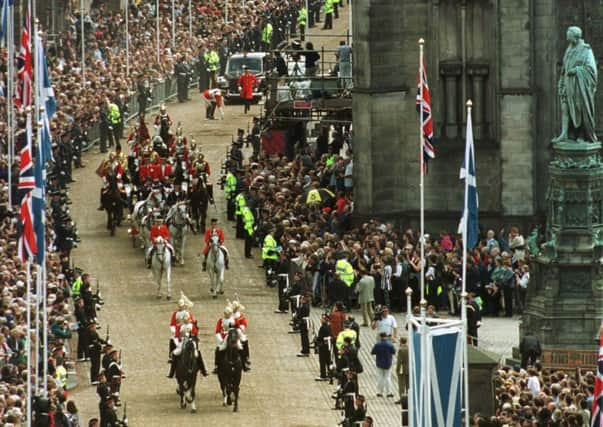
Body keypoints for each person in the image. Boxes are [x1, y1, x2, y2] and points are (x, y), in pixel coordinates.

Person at [167, 292, 197, 378]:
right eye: (179, 306)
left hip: (189, 337)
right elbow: (172, 324)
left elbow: (193, 328)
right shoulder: (175, 314)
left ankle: (200, 367)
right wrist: (174, 331)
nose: (180, 307)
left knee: (196, 352)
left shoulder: (188, 314)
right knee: (173, 343)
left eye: (182, 306)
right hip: (179, 334)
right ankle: (170, 357)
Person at [371, 332, 396, 398]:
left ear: (380, 337)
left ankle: (379, 392)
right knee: (387, 377)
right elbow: (393, 352)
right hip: (388, 363)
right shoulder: (390, 345)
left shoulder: (377, 345)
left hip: (379, 362)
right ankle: (389, 392)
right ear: (386, 337)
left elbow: (373, 352)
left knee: (380, 377)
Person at [315, 312, 332, 381]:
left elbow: (320, 338)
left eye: (322, 318)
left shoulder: (323, 328)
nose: (321, 319)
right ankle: (330, 373)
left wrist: (317, 340)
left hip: (323, 346)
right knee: (328, 360)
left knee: (322, 361)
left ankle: (323, 375)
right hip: (328, 346)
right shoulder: (329, 326)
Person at [395, 336, 409, 404]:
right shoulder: (409, 348)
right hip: (409, 369)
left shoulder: (401, 350)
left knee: (401, 385)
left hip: (402, 369)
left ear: (400, 341)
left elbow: (399, 361)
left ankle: (402, 399)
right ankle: (409, 398)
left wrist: (397, 370)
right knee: (408, 385)